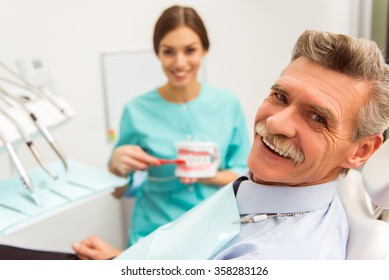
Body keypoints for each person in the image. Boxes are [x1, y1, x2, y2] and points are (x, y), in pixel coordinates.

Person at [71, 29, 389, 260]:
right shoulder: (267, 187)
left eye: (317, 118)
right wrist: (125, 261)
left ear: (361, 150)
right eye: (280, 96)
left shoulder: (269, 257)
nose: (275, 123)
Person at [105, 5, 250, 247]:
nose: (179, 62)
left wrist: (207, 174)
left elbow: (245, 176)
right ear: (158, 53)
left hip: (215, 233)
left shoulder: (227, 104)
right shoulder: (136, 110)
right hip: (154, 236)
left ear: (204, 49)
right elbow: (118, 192)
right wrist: (116, 167)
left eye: (190, 50)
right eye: (169, 52)